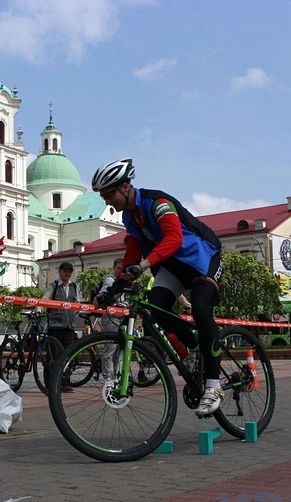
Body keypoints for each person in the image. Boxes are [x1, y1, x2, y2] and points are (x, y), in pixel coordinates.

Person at [92, 158, 224, 416]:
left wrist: (143, 266)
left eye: (109, 193)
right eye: (103, 196)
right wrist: (113, 288)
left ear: (126, 187)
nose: (107, 201)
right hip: (172, 267)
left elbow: (174, 237)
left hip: (202, 258)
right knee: (155, 308)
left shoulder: (157, 202)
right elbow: (131, 254)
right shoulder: (130, 218)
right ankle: (195, 346)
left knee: (200, 308)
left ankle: (214, 385)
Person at [42, 261, 79, 392]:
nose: (67, 274)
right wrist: (38, 310)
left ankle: (65, 382)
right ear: (60, 271)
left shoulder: (74, 286)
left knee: (67, 355)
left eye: (70, 272)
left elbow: (76, 303)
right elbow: (44, 300)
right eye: (65, 271)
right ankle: (50, 383)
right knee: (53, 356)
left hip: (69, 326)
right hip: (55, 326)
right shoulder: (54, 286)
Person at [93, 258, 125, 385]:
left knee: (119, 349)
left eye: (122, 269)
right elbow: (105, 294)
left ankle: (116, 377)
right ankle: (107, 379)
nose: (120, 271)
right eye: (118, 268)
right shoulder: (110, 280)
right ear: (113, 267)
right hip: (111, 317)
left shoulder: (123, 281)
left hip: (121, 316)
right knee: (110, 349)